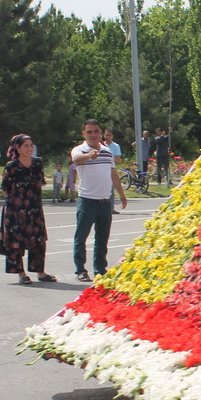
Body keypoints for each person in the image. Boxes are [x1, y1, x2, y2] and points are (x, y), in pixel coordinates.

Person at [71, 119, 127, 281]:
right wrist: (88, 155)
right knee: (81, 237)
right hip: (87, 201)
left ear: (100, 133)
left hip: (105, 202)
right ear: (83, 134)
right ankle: (81, 270)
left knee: (102, 239)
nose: (93, 134)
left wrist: (121, 195)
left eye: (96, 131)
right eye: (89, 132)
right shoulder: (79, 149)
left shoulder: (107, 151)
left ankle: (100, 269)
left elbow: (113, 174)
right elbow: (77, 159)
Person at [0, 134, 54, 284]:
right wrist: (16, 202)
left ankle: (40, 272)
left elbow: (41, 182)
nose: (29, 148)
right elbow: (4, 189)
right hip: (15, 210)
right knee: (17, 241)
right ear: (17, 148)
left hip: (35, 208)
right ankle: (21, 273)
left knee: (39, 239)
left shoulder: (38, 163)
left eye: (31, 145)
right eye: (26, 146)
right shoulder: (12, 165)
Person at [102, 129, 122, 214]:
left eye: (109, 135)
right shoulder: (100, 145)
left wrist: (108, 158)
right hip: (101, 169)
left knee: (111, 190)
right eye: (106, 135)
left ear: (112, 136)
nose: (108, 137)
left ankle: (111, 208)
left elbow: (118, 159)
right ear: (104, 135)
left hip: (111, 170)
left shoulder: (116, 146)